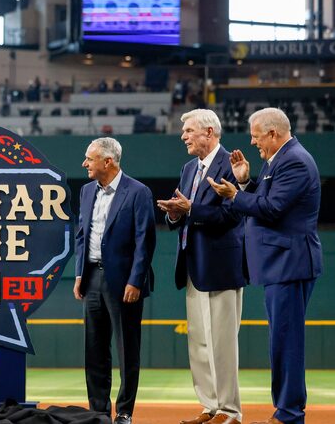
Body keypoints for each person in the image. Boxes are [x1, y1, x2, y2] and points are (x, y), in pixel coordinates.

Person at [208, 108, 322, 424]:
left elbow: (271, 209)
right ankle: (285, 411)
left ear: (273, 133)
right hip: (281, 264)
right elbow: (268, 199)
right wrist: (245, 181)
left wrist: (234, 195)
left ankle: (288, 414)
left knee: (287, 342)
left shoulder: (295, 160)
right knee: (282, 341)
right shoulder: (280, 160)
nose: (253, 142)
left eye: (257, 136)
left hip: (290, 263)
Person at [157, 110, 245, 424]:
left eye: (189, 131)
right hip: (193, 264)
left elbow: (233, 215)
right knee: (199, 342)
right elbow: (184, 213)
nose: (184, 136)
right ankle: (210, 407)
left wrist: (191, 208)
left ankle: (230, 411)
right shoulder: (188, 168)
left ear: (209, 132)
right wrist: (175, 214)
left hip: (221, 265)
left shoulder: (232, 165)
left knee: (222, 342)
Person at [73, 137, 155, 424]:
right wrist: (80, 274)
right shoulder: (85, 191)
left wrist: (135, 280)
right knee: (94, 349)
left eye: (90, 158)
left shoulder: (138, 192)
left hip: (124, 282)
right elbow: (81, 235)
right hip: (92, 277)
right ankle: (97, 411)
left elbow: (145, 241)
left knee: (126, 349)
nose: (84, 163)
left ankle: (124, 412)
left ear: (108, 161)